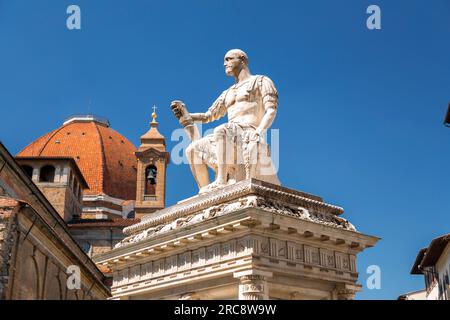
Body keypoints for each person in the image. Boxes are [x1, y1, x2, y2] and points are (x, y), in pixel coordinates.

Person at [171, 49, 280, 193]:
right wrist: (186, 114)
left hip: (249, 130)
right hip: (231, 132)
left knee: (221, 130)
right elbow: (208, 116)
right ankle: (204, 192)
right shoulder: (227, 93)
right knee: (192, 149)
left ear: (242, 60)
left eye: (228, 59)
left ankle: (221, 181)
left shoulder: (260, 81)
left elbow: (271, 109)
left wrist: (259, 132)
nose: (224, 64)